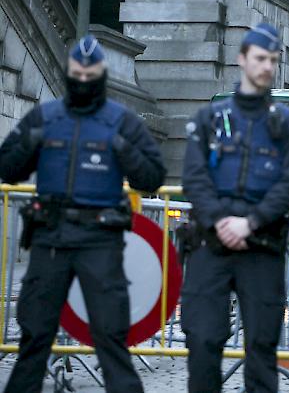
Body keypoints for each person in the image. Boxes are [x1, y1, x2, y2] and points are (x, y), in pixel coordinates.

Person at [0, 35, 166, 393]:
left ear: (102, 75)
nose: (84, 82)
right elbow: (7, 167)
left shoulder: (121, 121)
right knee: (35, 338)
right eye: (78, 75)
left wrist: (123, 150)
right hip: (51, 238)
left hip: (99, 242)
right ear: (68, 73)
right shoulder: (46, 116)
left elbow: (153, 175)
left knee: (110, 339)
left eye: (91, 75)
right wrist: (32, 142)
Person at [181, 23, 289, 392]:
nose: (267, 66)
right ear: (242, 60)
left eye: (273, 60)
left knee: (261, 349)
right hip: (210, 245)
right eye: (260, 58)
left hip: (263, 247)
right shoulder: (208, 119)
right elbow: (195, 178)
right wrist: (222, 222)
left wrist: (250, 222)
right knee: (202, 342)